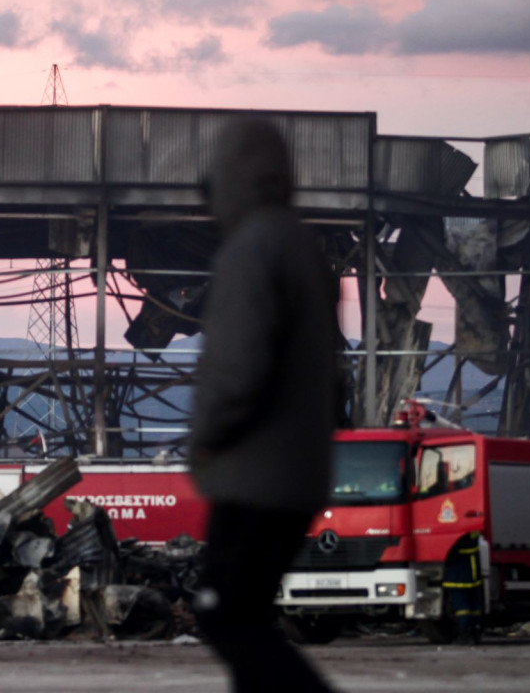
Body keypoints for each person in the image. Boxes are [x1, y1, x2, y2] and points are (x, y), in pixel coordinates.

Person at [190, 119, 340, 692]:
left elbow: (236, 365)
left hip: (254, 474)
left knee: (226, 613)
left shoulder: (250, 248)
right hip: (298, 473)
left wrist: (206, 438)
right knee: (243, 615)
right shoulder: (303, 246)